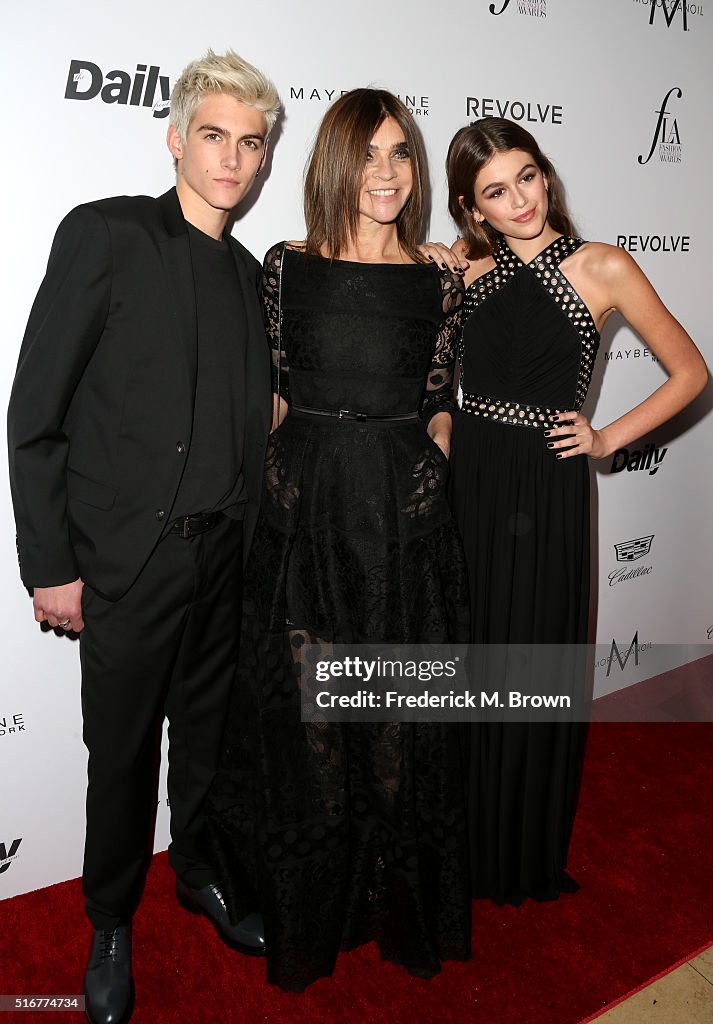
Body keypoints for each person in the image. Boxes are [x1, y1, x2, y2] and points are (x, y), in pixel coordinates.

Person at [7, 50, 279, 1024]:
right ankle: (108, 922)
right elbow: (35, 412)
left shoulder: (253, 280)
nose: (231, 159)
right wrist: (51, 564)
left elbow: (244, 419)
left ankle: (198, 869)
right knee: (119, 757)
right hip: (131, 561)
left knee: (203, 744)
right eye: (214, 135)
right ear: (174, 138)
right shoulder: (108, 235)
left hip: (224, 559)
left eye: (250, 143)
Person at [206, 88, 471, 992]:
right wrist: (271, 496)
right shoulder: (284, 267)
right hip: (303, 520)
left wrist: (433, 465)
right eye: (367, 155)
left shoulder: (439, 278)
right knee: (305, 721)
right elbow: (274, 394)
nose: (386, 174)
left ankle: (386, 901)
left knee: (393, 722)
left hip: (402, 528)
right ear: (333, 166)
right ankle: (310, 906)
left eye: (401, 154)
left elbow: (438, 401)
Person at [445, 117, 707, 905]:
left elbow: (689, 371)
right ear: (472, 208)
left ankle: (516, 843)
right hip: (470, 478)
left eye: (526, 176)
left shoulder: (603, 266)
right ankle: (456, 832)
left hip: (545, 482)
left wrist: (606, 439)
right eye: (495, 190)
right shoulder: (465, 271)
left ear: (545, 175)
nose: (518, 199)